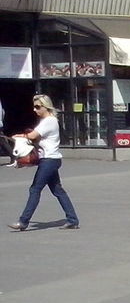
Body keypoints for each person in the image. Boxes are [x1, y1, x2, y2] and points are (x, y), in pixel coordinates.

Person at [9, 94, 80, 232]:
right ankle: (72, 220)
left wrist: (19, 136)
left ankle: (23, 221)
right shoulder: (47, 121)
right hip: (50, 160)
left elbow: (32, 136)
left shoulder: (49, 121)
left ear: (45, 107)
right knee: (58, 190)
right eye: (34, 107)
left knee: (35, 189)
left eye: (37, 107)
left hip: (49, 160)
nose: (35, 110)